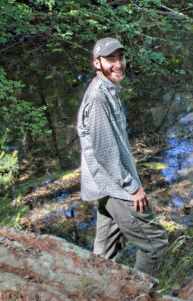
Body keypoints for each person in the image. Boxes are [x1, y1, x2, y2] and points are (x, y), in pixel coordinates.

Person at [76, 37, 168, 276]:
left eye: (121, 58)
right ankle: (140, 293)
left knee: (105, 252)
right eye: (110, 60)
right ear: (97, 64)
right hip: (116, 186)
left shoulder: (108, 89)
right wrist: (133, 188)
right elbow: (105, 153)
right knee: (155, 244)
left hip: (105, 185)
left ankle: (96, 289)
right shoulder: (98, 98)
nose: (118, 64)